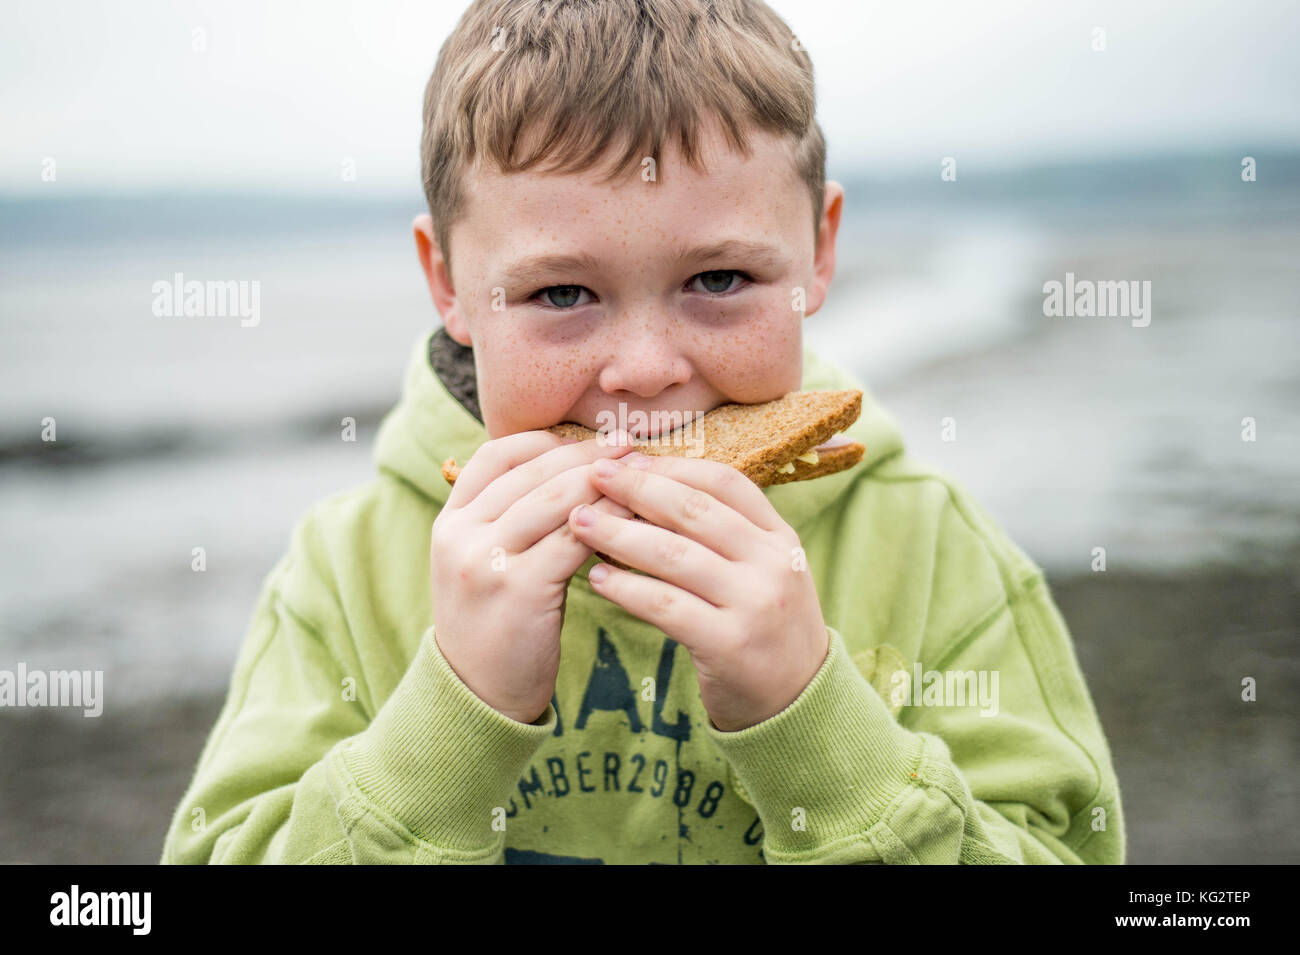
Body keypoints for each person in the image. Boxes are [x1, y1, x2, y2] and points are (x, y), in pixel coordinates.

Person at [161, 0, 1124, 864]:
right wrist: (452, 716)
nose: (645, 367)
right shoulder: (346, 570)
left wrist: (811, 720)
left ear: (819, 252)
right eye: (562, 293)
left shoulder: (930, 548)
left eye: (719, 281)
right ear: (449, 282)